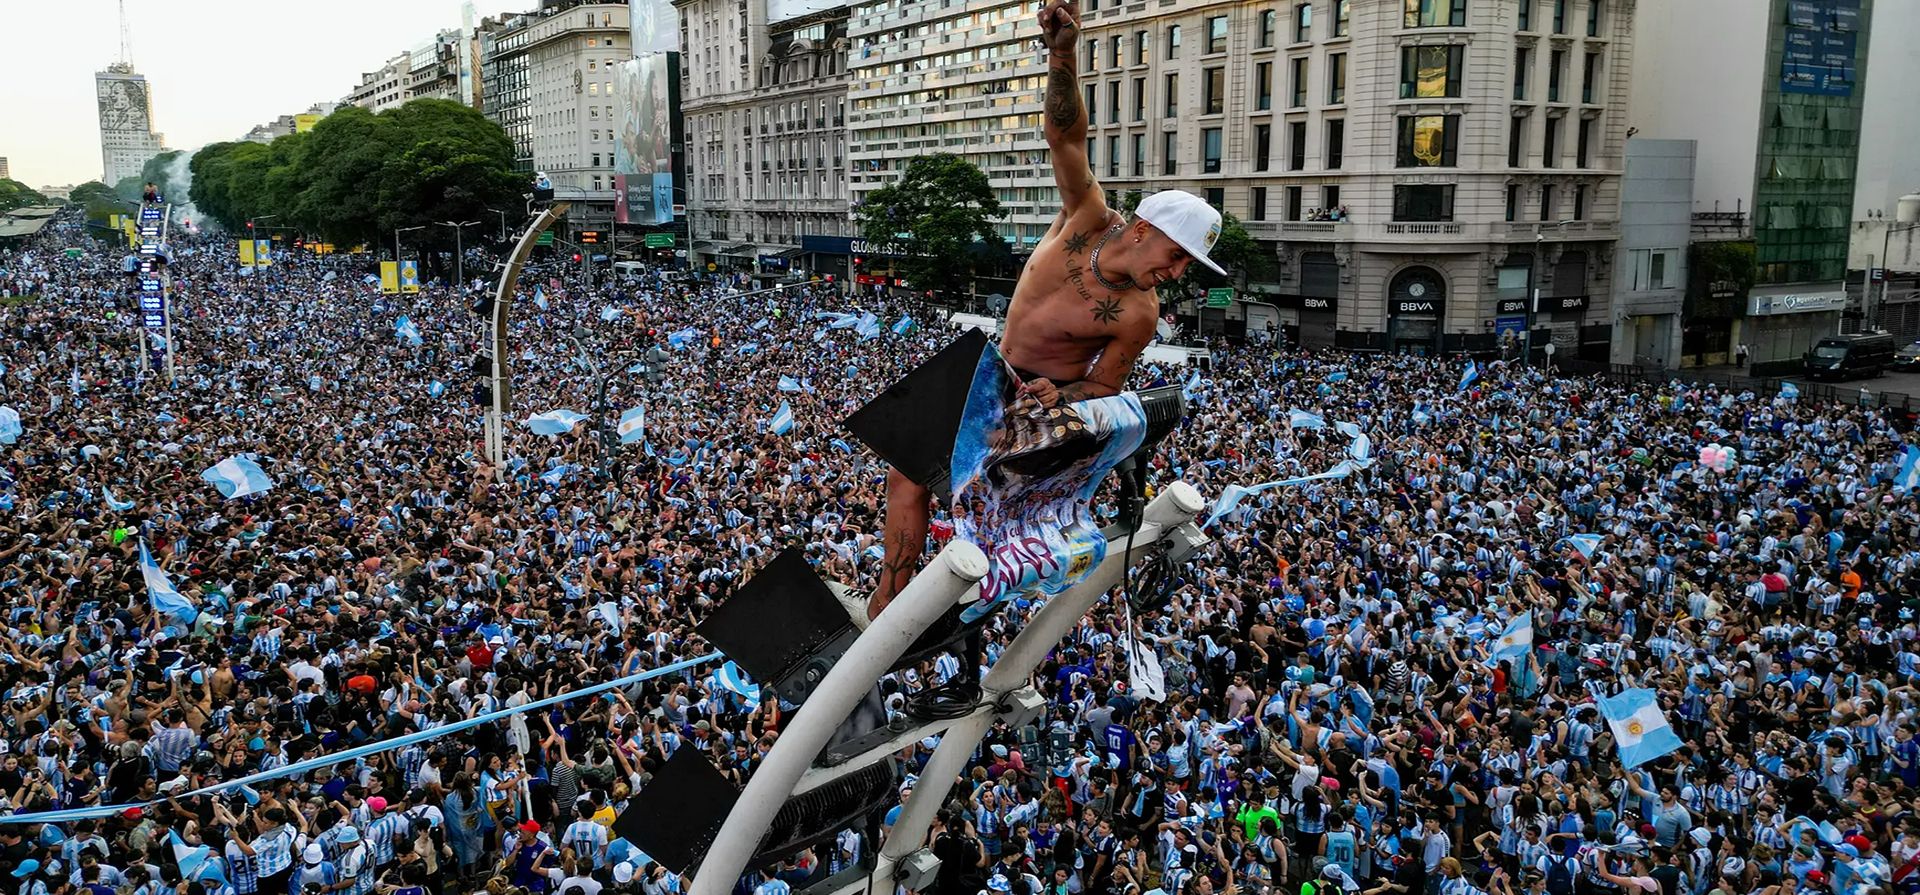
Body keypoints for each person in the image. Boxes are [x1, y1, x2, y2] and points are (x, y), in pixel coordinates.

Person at [866, 0, 1225, 622]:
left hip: (1040, 402)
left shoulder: (1139, 313)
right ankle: (889, 607)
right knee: (904, 475)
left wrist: (1062, 397)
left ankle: (941, 613)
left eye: (1186, 265)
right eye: (1176, 255)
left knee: (983, 512)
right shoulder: (1085, 221)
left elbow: (1103, 385)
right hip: (989, 376)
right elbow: (1066, 136)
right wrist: (1061, 52)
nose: (1176, 272)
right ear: (1141, 230)